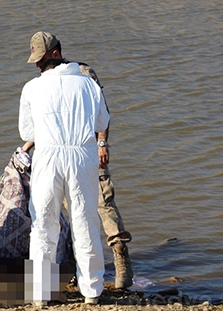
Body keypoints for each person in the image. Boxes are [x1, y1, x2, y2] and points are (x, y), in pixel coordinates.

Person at [23, 31, 134, 290]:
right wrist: (26, 149)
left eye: (41, 59)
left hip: (88, 150)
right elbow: (43, 124)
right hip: (62, 154)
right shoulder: (41, 83)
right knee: (70, 217)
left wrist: (102, 144)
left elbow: (102, 113)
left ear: (55, 53)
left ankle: (121, 264)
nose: (37, 65)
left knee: (100, 205)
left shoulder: (84, 74)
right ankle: (81, 277)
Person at [19, 56, 110, 305]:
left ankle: (40, 293)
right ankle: (91, 291)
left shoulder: (32, 87)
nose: (36, 65)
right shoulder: (89, 84)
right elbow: (102, 122)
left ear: (45, 60)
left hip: (48, 156)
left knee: (43, 224)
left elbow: (27, 132)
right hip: (82, 155)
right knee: (86, 221)